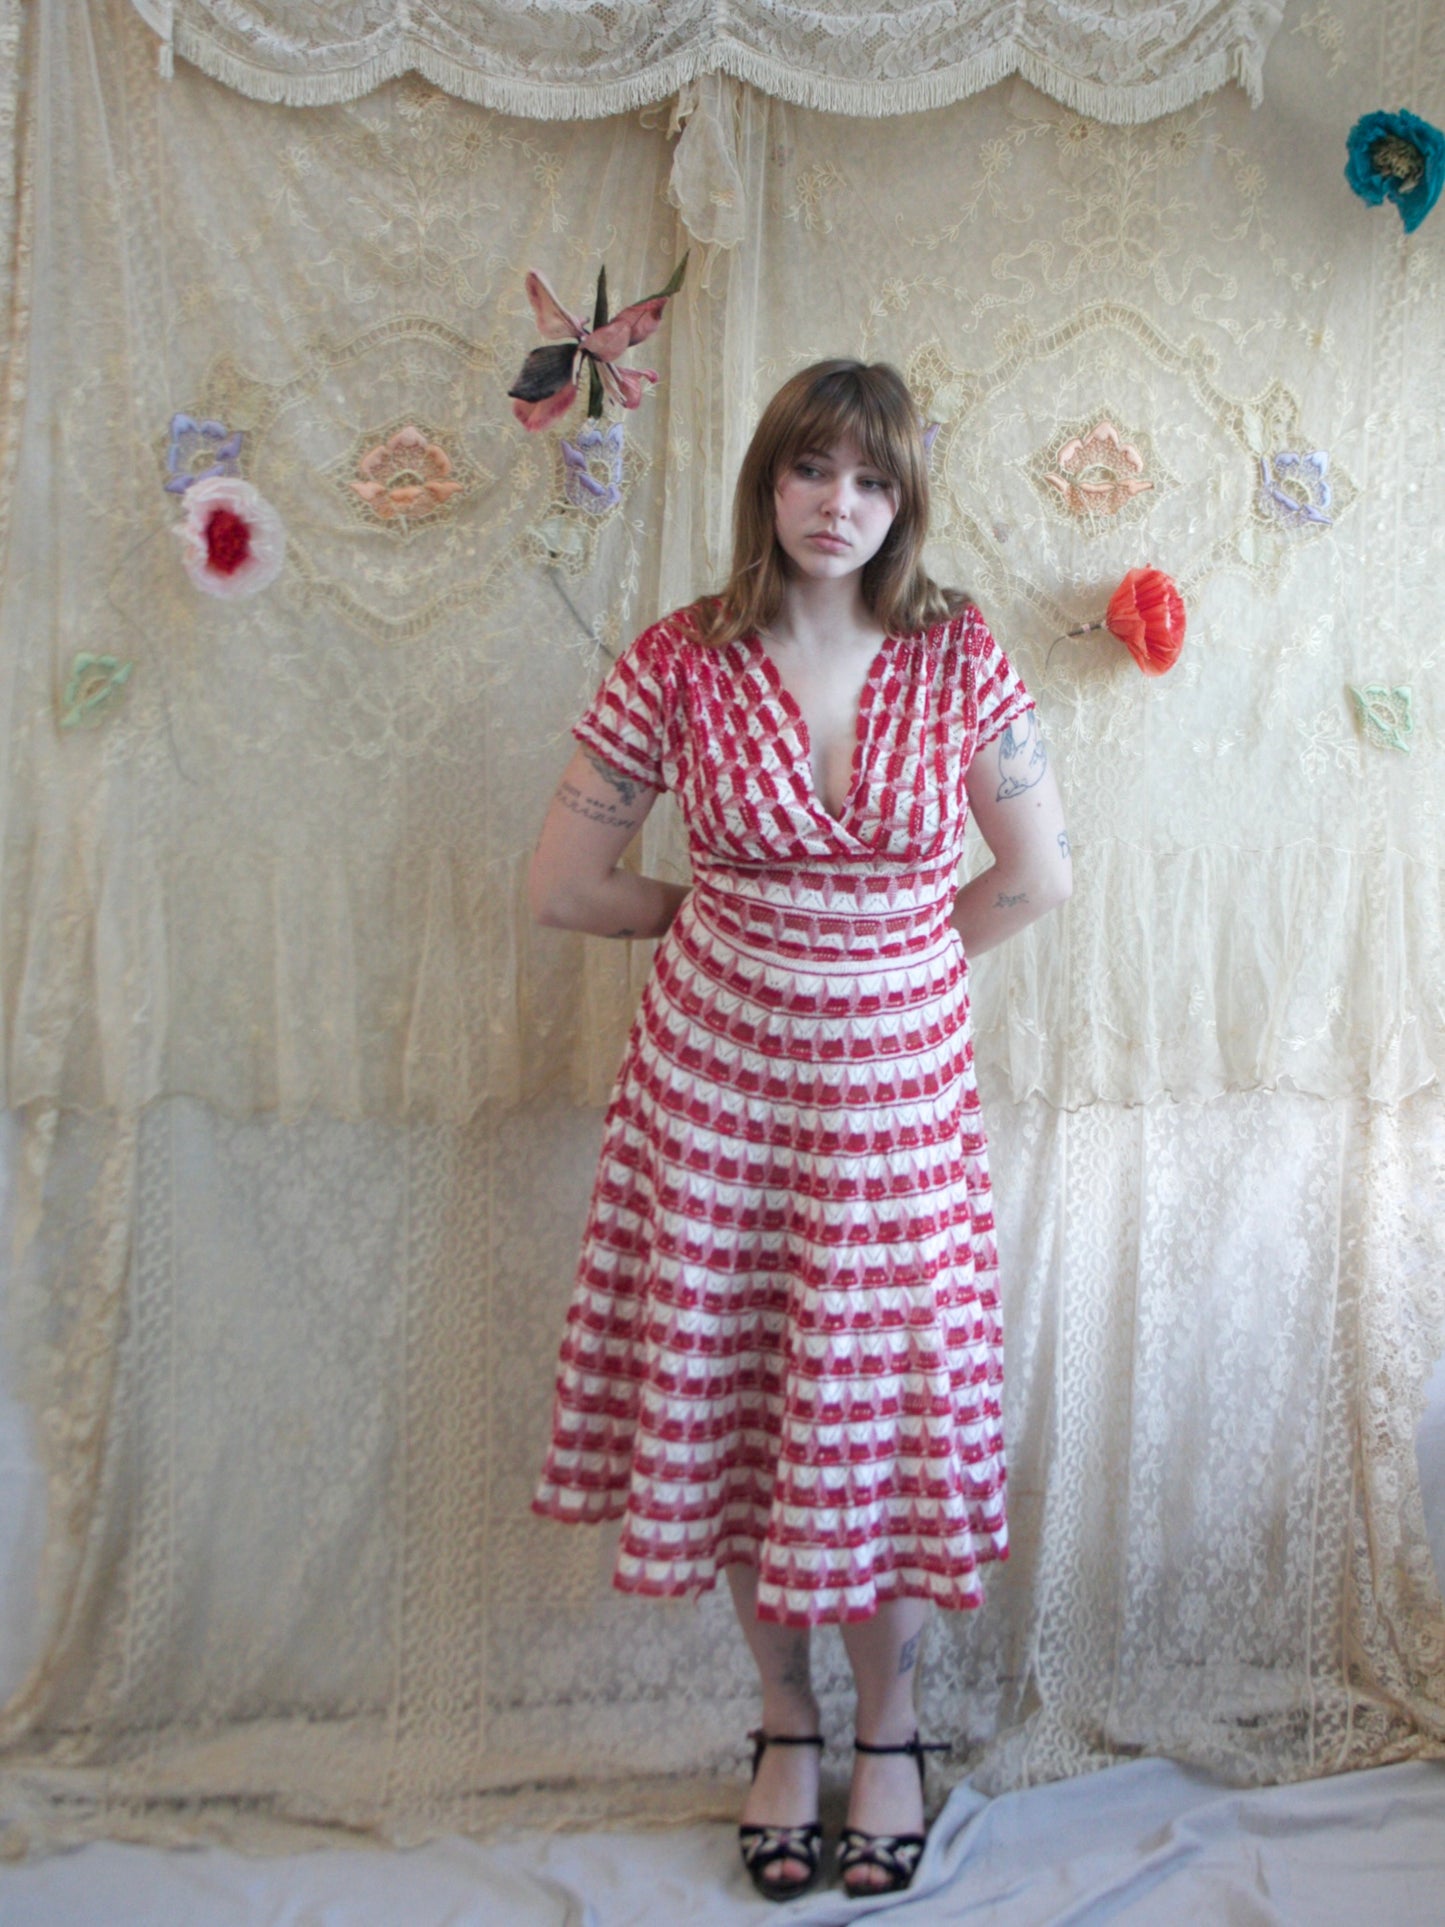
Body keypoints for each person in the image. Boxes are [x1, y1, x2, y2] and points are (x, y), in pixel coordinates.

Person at [529, 359, 1071, 1900]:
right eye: (810, 471)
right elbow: (561, 887)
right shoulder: (677, 660)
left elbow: (1038, 877)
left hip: (894, 1115)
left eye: (872, 482)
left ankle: (888, 1732)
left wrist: (879, 961)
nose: (838, 506)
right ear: (765, 481)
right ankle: (780, 1719)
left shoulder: (960, 652)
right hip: (712, 1105)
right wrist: (727, 925)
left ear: (904, 504)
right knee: (739, 1396)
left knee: (878, 1413)